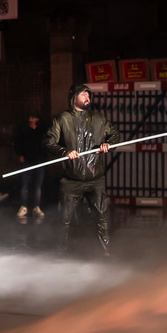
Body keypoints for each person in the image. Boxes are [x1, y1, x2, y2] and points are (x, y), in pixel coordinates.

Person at [43, 84, 119, 256]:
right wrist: (64, 151)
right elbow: (48, 141)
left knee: (102, 217)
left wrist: (109, 144)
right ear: (73, 97)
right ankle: (59, 253)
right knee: (64, 218)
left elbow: (114, 134)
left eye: (88, 95)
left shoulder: (98, 118)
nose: (87, 98)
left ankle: (106, 253)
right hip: (71, 179)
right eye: (83, 94)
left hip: (95, 178)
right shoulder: (62, 119)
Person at [12, 113, 47, 224]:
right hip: (27, 161)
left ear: (37, 119)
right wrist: (20, 154)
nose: (30, 119)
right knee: (25, 185)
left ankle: (36, 207)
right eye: (30, 117)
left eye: (33, 117)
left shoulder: (42, 130)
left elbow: (46, 144)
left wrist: (44, 157)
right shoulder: (23, 129)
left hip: (39, 162)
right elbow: (17, 142)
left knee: (38, 186)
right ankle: (24, 206)